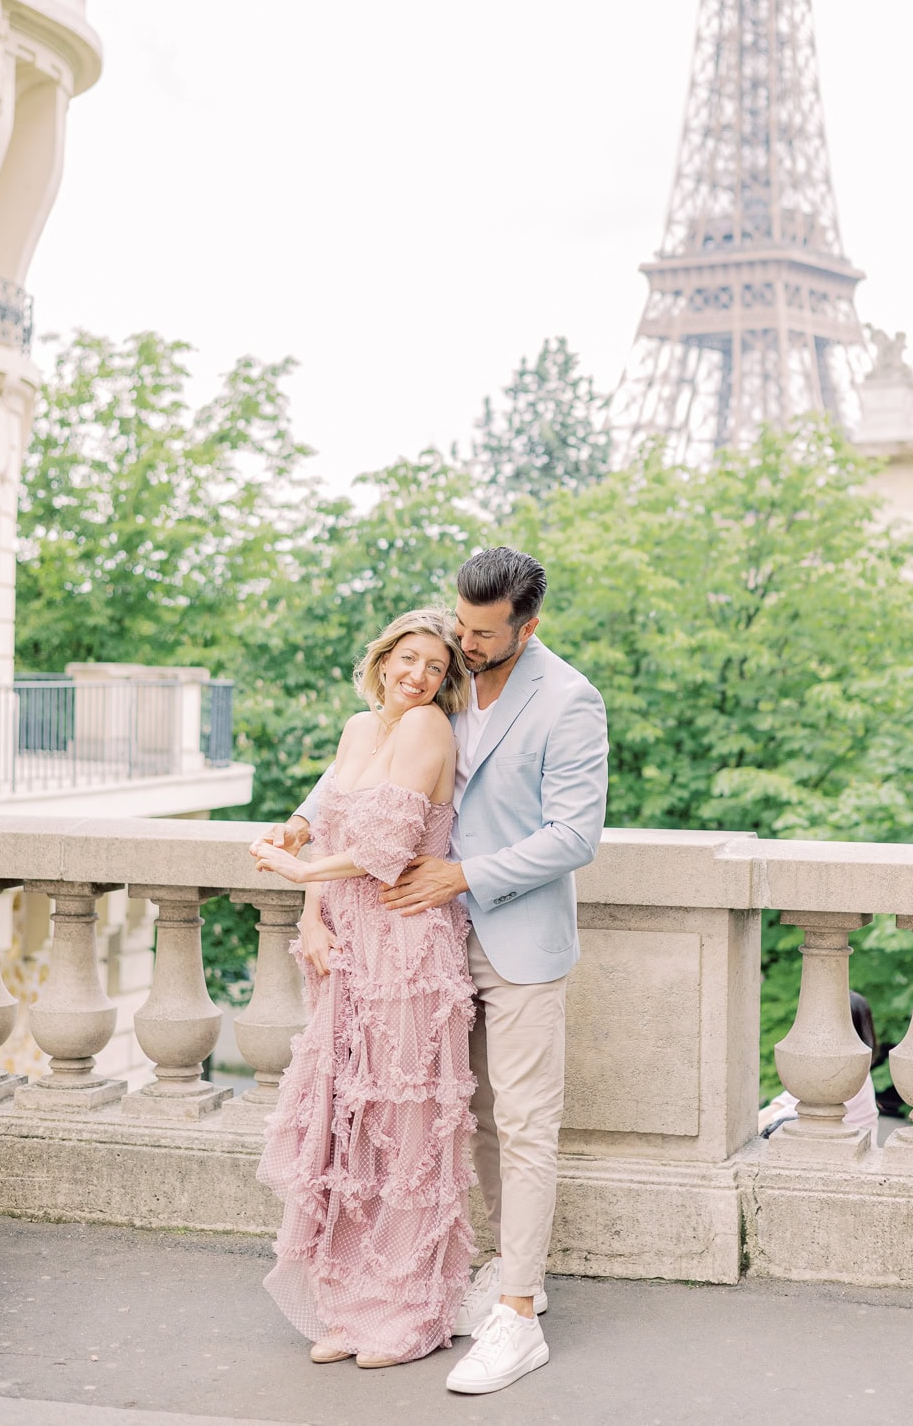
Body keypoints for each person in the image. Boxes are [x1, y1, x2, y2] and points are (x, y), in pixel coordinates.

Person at [266, 546, 609, 1396]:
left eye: (484, 631)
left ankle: (519, 1316)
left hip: (515, 937)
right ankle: (475, 1273)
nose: (465, 640)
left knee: (525, 1124)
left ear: (528, 626)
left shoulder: (569, 700)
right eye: (461, 621)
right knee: (461, 1124)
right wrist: (301, 827)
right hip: (418, 946)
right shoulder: (444, 682)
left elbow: (576, 835)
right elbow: (362, 765)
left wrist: (462, 875)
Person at [249, 607, 475, 1369]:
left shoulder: (427, 730)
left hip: (407, 945)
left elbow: (385, 848)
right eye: (407, 659)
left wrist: (300, 873)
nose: (417, 676)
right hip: (346, 948)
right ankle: (345, 1302)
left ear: (446, 683)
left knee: (406, 1130)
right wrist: (311, 913)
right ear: (382, 659)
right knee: (346, 1126)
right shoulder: (357, 729)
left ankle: (407, 1310)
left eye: (434, 668)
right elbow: (328, 823)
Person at [757, 992, 880, 1137]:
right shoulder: (825, 1069)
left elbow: (804, 1110)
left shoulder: (855, 1075)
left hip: (847, 1150)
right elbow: (786, 1101)